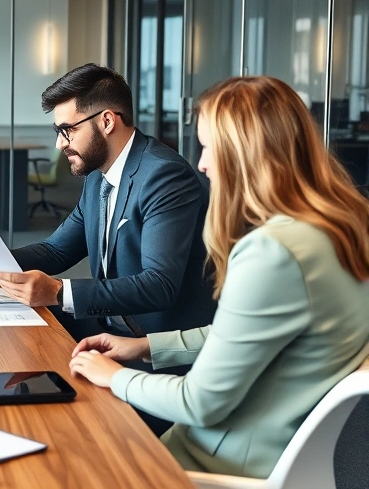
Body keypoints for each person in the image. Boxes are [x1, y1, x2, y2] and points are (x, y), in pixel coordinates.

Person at [69, 76, 369, 479]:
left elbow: (198, 403)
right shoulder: (343, 228)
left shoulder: (273, 252)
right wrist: (144, 347)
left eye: (209, 147)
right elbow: (242, 332)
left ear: (246, 153)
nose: (202, 163)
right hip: (289, 458)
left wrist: (115, 376)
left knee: (69, 453)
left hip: (215, 463)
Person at [0, 63, 214, 341]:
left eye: (67, 130)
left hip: (149, 340)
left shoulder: (164, 176)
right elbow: (56, 250)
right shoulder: (98, 175)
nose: (60, 144)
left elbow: (158, 285)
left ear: (106, 121)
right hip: (104, 322)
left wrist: (59, 291)